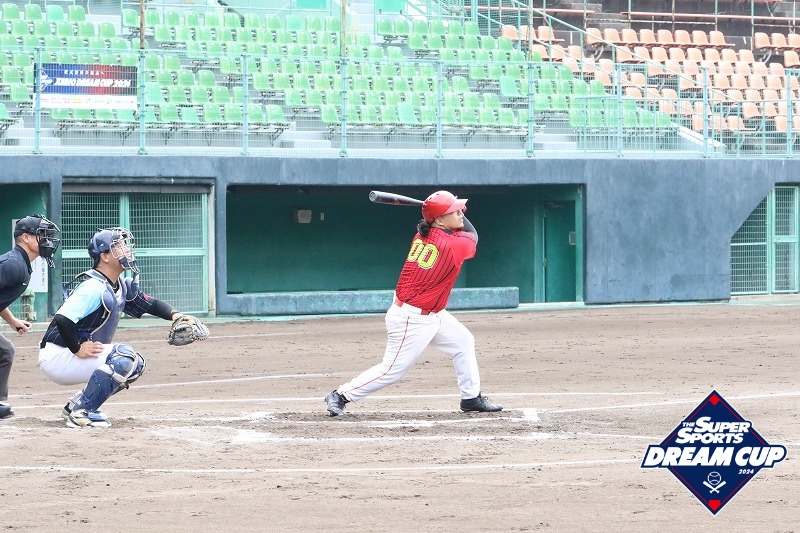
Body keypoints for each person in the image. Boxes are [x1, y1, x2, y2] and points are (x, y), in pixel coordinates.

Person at [325, 190, 502, 416]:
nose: (461, 213)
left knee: (463, 342)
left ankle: (471, 398)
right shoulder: (452, 245)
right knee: (392, 370)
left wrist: (444, 210)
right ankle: (340, 395)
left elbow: (451, 226)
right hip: (412, 318)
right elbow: (472, 233)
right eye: (455, 211)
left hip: (431, 311)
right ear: (439, 221)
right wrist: (444, 211)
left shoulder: (423, 235)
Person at [38, 227, 184, 428]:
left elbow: (149, 304)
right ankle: (81, 413)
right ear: (104, 256)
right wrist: (77, 348)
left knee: (136, 364)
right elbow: (63, 319)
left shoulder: (118, 285)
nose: (126, 249)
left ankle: (76, 405)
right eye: (119, 246)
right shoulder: (93, 286)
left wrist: (177, 316)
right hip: (59, 354)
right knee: (124, 358)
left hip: (68, 354)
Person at [0, 215, 61, 419]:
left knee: (5, 351)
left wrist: (12, 321)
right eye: (42, 235)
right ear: (26, 238)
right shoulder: (14, 265)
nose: (47, 241)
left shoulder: (21, 264)